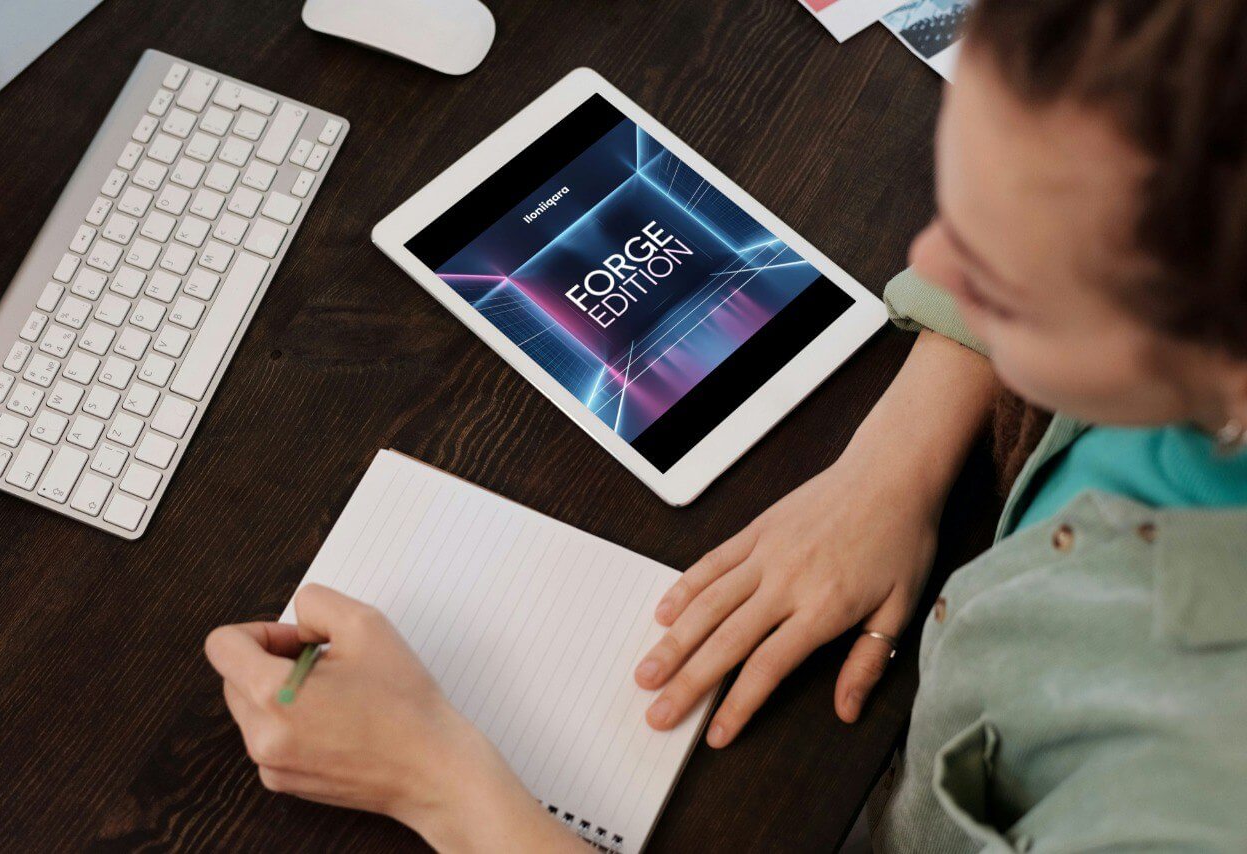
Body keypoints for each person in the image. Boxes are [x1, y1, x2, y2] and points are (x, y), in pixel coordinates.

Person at [204, 1, 1247, 849]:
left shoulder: (1178, 793)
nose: (924, 271)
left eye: (1002, 277)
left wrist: (434, 779)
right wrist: (891, 461)